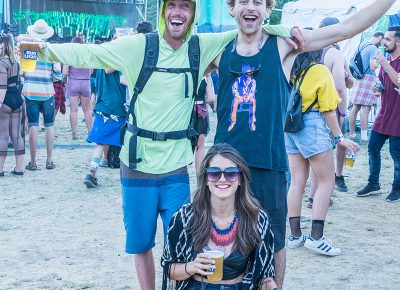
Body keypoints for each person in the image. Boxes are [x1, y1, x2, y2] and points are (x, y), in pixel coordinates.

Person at [26, 1, 298, 288]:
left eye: (185, 6)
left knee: (185, 244)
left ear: (193, 16)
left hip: (176, 169)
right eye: (172, 5)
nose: (177, 12)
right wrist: (41, 49)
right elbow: (89, 53)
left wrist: (285, 27)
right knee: (141, 242)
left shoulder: (203, 44)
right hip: (137, 163)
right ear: (162, 11)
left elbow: (251, 27)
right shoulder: (138, 46)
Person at [207, 1, 394, 288]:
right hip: (225, 169)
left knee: (275, 242)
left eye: (258, 2)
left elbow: (345, 29)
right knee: (225, 241)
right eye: (243, 1)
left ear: (269, 8)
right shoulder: (217, 49)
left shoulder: (283, 45)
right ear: (231, 8)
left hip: (268, 165)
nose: (251, 7)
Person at [161, 143, 276, 290]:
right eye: (214, 173)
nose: (222, 179)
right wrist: (192, 266)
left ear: (240, 179)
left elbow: (265, 275)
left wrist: (271, 286)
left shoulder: (257, 218)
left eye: (231, 173)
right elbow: (169, 269)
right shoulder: (185, 217)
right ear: (206, 180)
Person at [285, 50, 359, 256]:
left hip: (291, 127)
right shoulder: (319, 70)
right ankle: (316, 238)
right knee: (327, 181)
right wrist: (339, 137)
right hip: (312, 125)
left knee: (297, 181)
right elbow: (328, 109)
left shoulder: (291, 69)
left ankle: (295, 235)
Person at [357, 26, 400, 203]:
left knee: (396, 155)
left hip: (398, 117)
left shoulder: (387, 62)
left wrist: (385, 64)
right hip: (384, 113)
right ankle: (373, 184)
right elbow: (386, 83)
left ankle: (397, 188)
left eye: (388, 39)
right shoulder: (387, 59)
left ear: (398, 42)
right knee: (373, 147)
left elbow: (398, 80)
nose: (384, 42)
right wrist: (378, 89)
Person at [83, 68, 127, 188]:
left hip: (103, 104)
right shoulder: (118, 57)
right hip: (118, 106)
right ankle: (127, 176)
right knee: (126, 141)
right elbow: (123, 79)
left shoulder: (103, 54)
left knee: (100, 143)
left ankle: (91, 173)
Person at [22, 19, 56, 171]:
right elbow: (58, 74)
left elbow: (23, 73)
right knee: (49, 126)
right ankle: (49, 161)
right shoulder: (50, 50)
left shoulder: (27, 49)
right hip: (47, 91)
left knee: (33, 125)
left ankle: (33, 162)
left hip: (30, 91)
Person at [349, 32, 384, 142]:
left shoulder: (362, 44)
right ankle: (364, 136)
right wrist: (379, 61)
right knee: (366, 107)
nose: (382, 43)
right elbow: (373, 67)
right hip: (369, 78)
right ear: (378, 37)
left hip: (359, 78)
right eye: (382, 40)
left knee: (355, 107)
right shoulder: (374, 48)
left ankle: (352, 134)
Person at [0, 33, 25, 176]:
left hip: (6, 100)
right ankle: (19, 168)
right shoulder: (16, 62)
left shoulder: (2, 63)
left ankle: (0, 169)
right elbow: (20, 83)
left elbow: (2, 87)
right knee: (17, 135)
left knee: (3, 136)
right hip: (17, 99)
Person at [62, 37, 93, 140]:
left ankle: (74, 133)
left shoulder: (69, 56)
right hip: (86, 82)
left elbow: (64, 72)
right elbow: (92, 71)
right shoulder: (88, 55)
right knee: (87, 110)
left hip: (73, 82)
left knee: (73, 110)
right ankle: (90, 133)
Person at [192, 74, 216, 174]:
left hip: (186, 111)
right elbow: (211, 98)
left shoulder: (188, 72)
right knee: (200, 147)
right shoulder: (206, 77)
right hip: (200, 112)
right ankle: (199, 176)